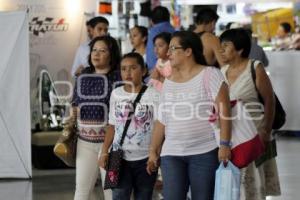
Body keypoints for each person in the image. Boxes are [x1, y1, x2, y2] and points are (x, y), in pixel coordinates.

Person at [147, 31, 232, 200]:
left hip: (205, 151)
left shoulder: (210, 74)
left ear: (188, 51)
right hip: (171, 153)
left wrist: (224, 144)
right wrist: (153, 151)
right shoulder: (168, 82)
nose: (168, 53)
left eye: (173, 48)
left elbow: (225, 113)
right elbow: (162, 120)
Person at [219, 28, 281, 200]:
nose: (221, 50)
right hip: (230, 134)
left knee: (253, 181)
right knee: (233, 183)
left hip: (253, 133)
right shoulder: (221, 72)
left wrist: (265, 132)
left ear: (239, 49)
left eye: (226, 46)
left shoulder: (255, 68)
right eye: (220, 46)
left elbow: (270, 101)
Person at [99, 52, 159, 200]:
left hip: (145, 159)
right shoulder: (116, 94)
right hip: (119, 158)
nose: (128, 73)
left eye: (133, 68)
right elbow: (112, 125)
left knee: (144, 196)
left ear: (143, 70)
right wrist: (104, 151)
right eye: (124, 69)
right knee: (119, 196)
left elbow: (159, 127)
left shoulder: (154, 95)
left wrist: (155, 155)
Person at [71, 35, 121, 200]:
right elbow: (75, 104)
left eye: (102, 50)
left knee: (112, 192)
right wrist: (71, 120)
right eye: (94, 50)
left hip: (112, 145)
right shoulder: (83, 75)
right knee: (82, 191)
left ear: (111, 54)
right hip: (84, 142)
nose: (96, 54)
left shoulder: (118, 77)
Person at [146, 6, 175, 72]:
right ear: (168, 18)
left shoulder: (153, 31)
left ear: (152, 20)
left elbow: (151, 58)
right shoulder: (173, 30)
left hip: (158, 70)